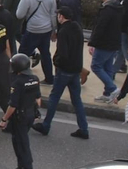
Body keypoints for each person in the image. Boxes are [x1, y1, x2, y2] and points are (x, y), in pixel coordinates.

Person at [36, 9, 90, 139]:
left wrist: (57, 61)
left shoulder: (63, 31)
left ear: (61, 17)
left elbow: (63, 52)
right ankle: (84, 128)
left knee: (54, 98)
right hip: (76, 69)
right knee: (77, 100)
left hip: (64, 70)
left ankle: (46, 125)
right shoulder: (77, 27)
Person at [2, 54, 42, 169]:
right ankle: (21, 166)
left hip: (20, 116)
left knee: (22, 143)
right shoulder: (35, 78)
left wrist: (4, 119)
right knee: (18, 141)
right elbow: (38, 100)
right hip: (29, 114)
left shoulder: (18, 83)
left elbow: (12, 105)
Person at [16, 0, 58, 81]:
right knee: (45, 54)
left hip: (32, 30)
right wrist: (54, 30)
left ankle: (20, 76)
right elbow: (53, 14)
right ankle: (49, 78)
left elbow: (19, 14)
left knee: (23, 53)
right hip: (46, 30)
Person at [88, 0, 123, 101]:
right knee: (108, 67)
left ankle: (112, 89)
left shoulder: (106, 10)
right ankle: (107, 93)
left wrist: (92, 43)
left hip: (104, 43)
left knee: (96, 66)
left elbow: (100, 28)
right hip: (114, 42)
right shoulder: (117, 7)